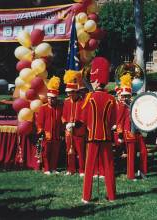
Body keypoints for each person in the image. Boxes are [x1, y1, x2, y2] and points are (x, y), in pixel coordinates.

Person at [81, 57, 116, 203]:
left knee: (89, 169)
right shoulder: (111, 99)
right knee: (109, 167)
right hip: (107, 137)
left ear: (95, 80)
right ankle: (112, 196)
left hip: (93, 137)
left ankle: (86, 197)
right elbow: (113, 120)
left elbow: (83, 119)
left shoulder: (89, 98)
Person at [116, 73, 148, 180]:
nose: (125, 98)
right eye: (124, 96)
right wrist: (120, 136)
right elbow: (119, 121)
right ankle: (130, 175)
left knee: (144, 151)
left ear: (130, 96)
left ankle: (143, 172)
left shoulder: (134, 104)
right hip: (128, 132)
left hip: (137, 132)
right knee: (131, 154)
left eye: (127, 96)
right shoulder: (121, 106)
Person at [62, 70, 86, 176]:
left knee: (81, 151)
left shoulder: (82, 101)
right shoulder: (66, 102)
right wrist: (66, 124)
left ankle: (82, 170)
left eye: (71, 92)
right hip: (68, 130)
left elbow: (84, 117)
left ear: (76, 92)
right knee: (69, 151)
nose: (69, 94)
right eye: (68, 92)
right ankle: (70, 169)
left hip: (79, 130)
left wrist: (74, 124)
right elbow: (63, 115)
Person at [37, 76, 63, 175]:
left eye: (53, 99)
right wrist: (41, 131)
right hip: (46, 134)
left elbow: (61, 121)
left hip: (56, 135)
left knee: (55, 152)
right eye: (49, 98)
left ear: (56, 99)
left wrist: (61, 131)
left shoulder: (59, 108)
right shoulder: (43, 108)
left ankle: (53, 168)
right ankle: (47, 169)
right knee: (46, 153)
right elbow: (39, 122)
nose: (51, 100)